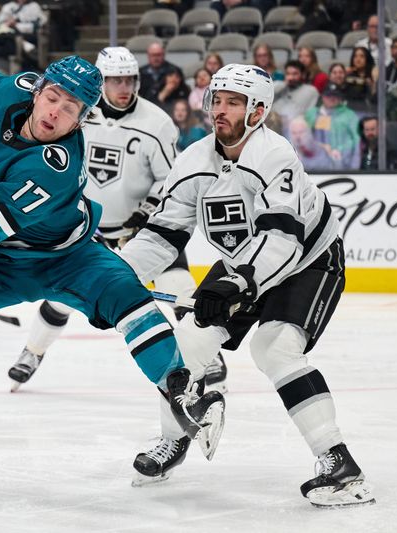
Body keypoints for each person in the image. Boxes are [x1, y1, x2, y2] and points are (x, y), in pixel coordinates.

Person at [0, 53, 226, 470]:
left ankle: (184, 394)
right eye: (52, 97)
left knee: (129, 297)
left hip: (68, 258)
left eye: (71, 109)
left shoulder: (54, 167)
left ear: (83, 119)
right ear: (38, 90)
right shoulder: (19, 89)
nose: (55, 112)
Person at [119, 64, 374, 507]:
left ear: (258, 111)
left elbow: (282, 240)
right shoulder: (194, 159)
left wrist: (239, 284)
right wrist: (116, 273)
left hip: (307, 260)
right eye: (216, 100)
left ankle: (340, 463)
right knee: (185, 344)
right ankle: (174, 440)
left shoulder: (274, 156)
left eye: (232, 102)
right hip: (244, 263)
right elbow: (164, 234)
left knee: (274, 348)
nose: (219, 110)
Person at [6, 47, 214, 392]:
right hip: (86, 230)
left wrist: (145, 212)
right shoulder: (74, 116)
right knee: (61, 296)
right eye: (115, 80)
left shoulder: (157, 122)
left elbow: (171, 178)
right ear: (99, 83)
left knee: (181, 291)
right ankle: (33, 351)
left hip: (147, 230)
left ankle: (207, 358)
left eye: (129, 79)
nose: (124, 87)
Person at [305, 83, 361, 169]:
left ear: (341, 97)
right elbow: (304, 138)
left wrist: (355, 166)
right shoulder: (312, 114)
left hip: (343, 165)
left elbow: (357, 141)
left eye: (336, 95)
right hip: (315, 166)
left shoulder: (350, 115)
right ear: (322, 96)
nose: (332, 98)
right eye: (328, 95)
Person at [273, 60, 319, 133]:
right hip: (275, 127)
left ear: (303, 74)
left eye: (295, 74)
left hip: (297, 129)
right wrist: (284, 84)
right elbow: (268, 93)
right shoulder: (279, 86)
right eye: (288, 74)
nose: (291, 77)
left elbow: (310, 115)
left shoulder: (310, 91)